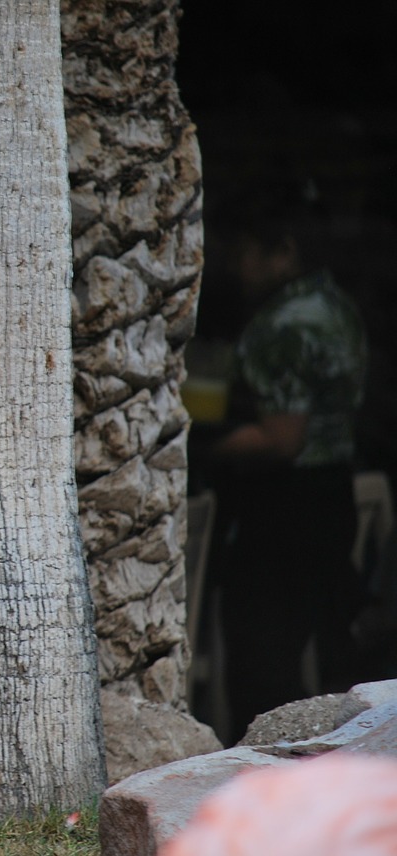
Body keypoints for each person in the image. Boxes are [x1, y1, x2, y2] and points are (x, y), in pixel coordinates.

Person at [206, 179, 368, 739]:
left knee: (263, 658)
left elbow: (281, 438)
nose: (237, 266)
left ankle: (268, 777)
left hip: (284, 507)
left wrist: (201, 446)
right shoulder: (335, 306)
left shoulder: (284, 325)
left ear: (284, 252)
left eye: (247, 253)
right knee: (326, 652)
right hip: (332, 492)